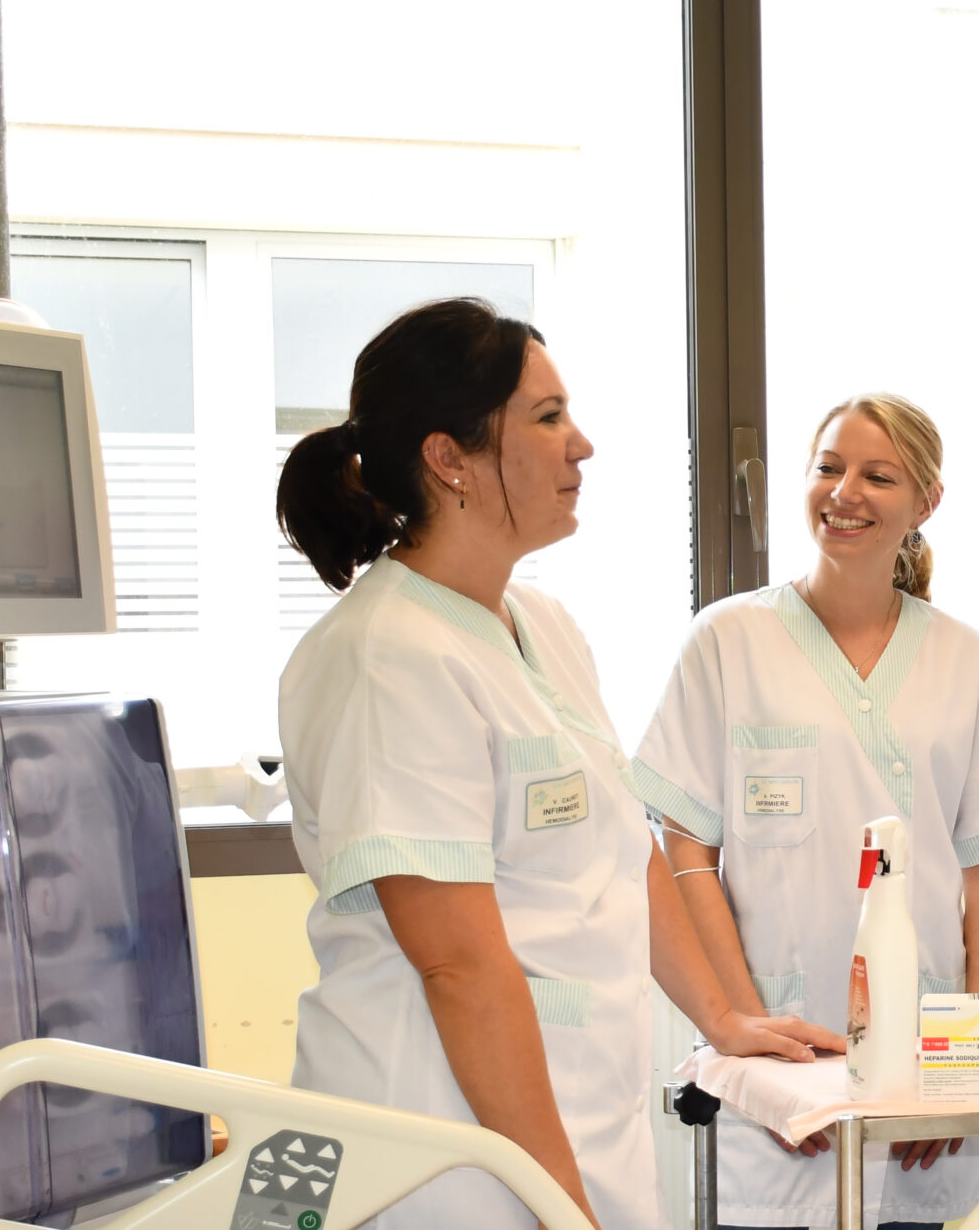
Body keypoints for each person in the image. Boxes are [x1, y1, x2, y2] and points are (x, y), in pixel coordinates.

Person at [275, 299, 842, 1229]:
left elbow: (626, 849)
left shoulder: (542, 626)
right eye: (546, 418)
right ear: (448, 457)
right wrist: (560, 1205)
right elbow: (459, 966)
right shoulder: (387, 655)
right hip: (440, 1156)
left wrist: (723, 1018)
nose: (581, 445)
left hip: (570, 1132)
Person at [628, 393, 979, 1230]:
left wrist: (963, 1061)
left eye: (877, 475)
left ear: (925, 502)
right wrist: (743, 1028)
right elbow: (685, 849)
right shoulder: (726, 642)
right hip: (779, 1055)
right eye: (828, 467)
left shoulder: (964, 658)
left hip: (919, 1071)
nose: (844, 492)